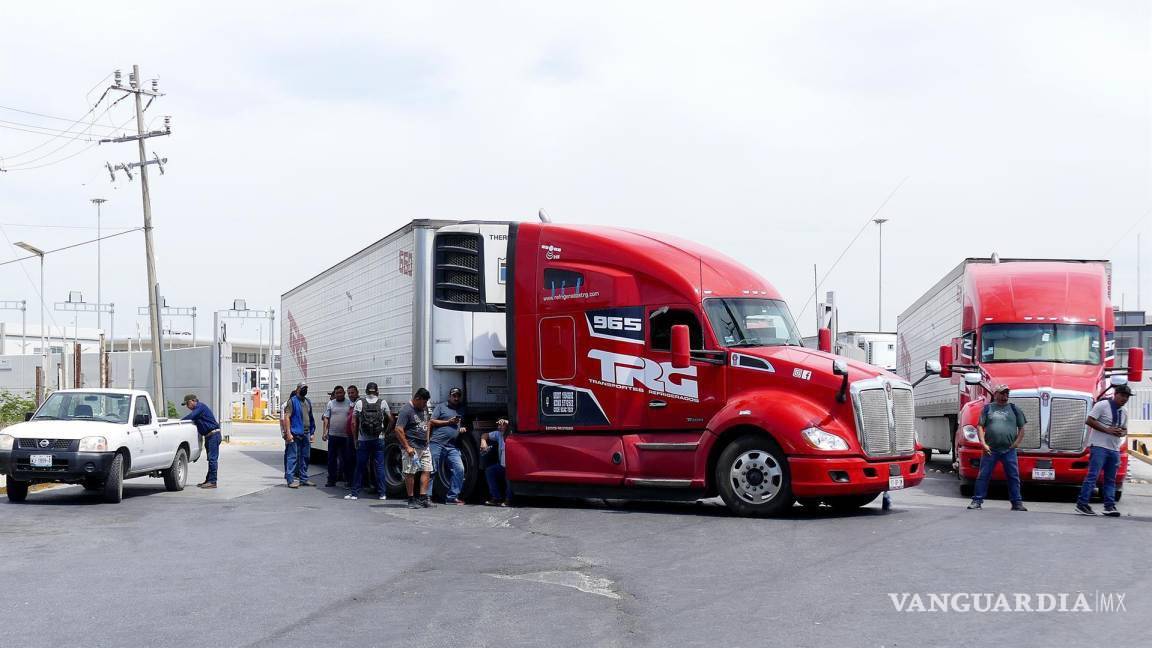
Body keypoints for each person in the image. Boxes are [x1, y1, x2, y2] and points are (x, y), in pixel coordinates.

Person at [967, 385, 1027, 511]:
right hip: (990, 450)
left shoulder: (1014, 409)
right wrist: (983, 443)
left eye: (1007, 393)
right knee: (983, 475)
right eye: (1002, 393)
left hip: (1009, 450)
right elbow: (980, 426)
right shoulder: (988, 408)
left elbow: (1022, 428)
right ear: (996, 394)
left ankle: (1017, 503)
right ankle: (977, 501)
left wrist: (1017, 443)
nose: (1005, 396)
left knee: (1013, 476)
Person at [1076, 384, 1132, 517]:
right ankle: (1082, 504)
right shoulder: (1102, 405)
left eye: (1127, 397)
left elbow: (1125, 429)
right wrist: (1107, 430)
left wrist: (1121, 432)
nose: (1124, 399)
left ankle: (1109, 506)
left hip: (1114, 448)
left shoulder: (1123, 412)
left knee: (1111, 479)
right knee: (1093, 476)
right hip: (1099, 446)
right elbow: (1089, 420)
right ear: (1115, 394)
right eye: (1122, 395)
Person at [346, 381, 391, 501]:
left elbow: (354, 423)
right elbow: (391, 419)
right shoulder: (383, 402)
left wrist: (355, 439)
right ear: (377, 391)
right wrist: (385, 432)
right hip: (379, 439)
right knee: (380, 467)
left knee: (360, 466)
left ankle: (355, 493)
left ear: (366, 391)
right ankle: (382, 494)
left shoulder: (360, 403)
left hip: (363, 440)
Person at [396, 387, 433, 509]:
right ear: (417, 398)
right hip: (412, 446)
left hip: (424, 445)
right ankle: (411, 499)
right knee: (410, 472)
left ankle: (423, 497)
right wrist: (407, 447)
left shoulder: (424, 408)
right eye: (423, 401)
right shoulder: (406, 410)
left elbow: (428, 422)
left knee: (427, 470)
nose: (425, 404)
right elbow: (398, 429)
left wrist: (427, 439)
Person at [430, 387, 467, 505]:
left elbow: (460, 424)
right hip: (437, 443)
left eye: (458, 396)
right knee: (431, 470)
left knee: (459, 469)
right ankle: (426, 497)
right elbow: (432, 421)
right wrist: (448, 422)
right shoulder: (441, 407)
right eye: (453, 396)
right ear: (449, 396)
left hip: (452, 446)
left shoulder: (461, 410)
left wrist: (460, 428)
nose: (456, 398)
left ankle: (452, 497)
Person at [182, 394, 221, 489]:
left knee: (212, 459)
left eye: (187, 404)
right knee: (210, 459)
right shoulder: (198, 410)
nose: (187, 407)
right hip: (209, 436)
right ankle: (209, 480)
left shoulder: (200, 407)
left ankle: (212, 481)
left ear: (192, 401)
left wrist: (180, 422)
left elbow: (191, 416)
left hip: (213, 435)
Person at [282, 382, 316, 488]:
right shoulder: (292, 401)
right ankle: (290, 480)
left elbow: (310, 418)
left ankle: (304, 479)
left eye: (306, 388)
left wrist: (312, 432)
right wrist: (288, 433)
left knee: (305, 457)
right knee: (292, 457)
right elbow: (287, 417)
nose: (304, 390)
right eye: (302, 388)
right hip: (295, 433)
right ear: (297, 389)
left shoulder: (308, 402)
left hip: (306, 433)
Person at [323, 385, 354, 488]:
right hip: (333, 435)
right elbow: (326, 418)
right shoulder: (331, 403)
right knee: (331, 459)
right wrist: (325, 432)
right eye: (337, 393)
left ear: (344, 393)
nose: (339, 394)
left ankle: (348, 480)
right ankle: (331, 480)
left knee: (347, 459)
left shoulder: (349, 403)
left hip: (345, 437)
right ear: (334, 394)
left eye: (341, 392)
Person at [481, 418, 510, 506]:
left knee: (509, 477)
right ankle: (496, 498)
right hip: (502, 466)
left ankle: (509, 499)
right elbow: (484, 435)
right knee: (490, 471)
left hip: (511, 467)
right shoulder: (499, 434)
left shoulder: (512, 433)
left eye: (502, 425)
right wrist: (483, 442)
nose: (500, 427)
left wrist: (507, 422)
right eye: (498, 425)